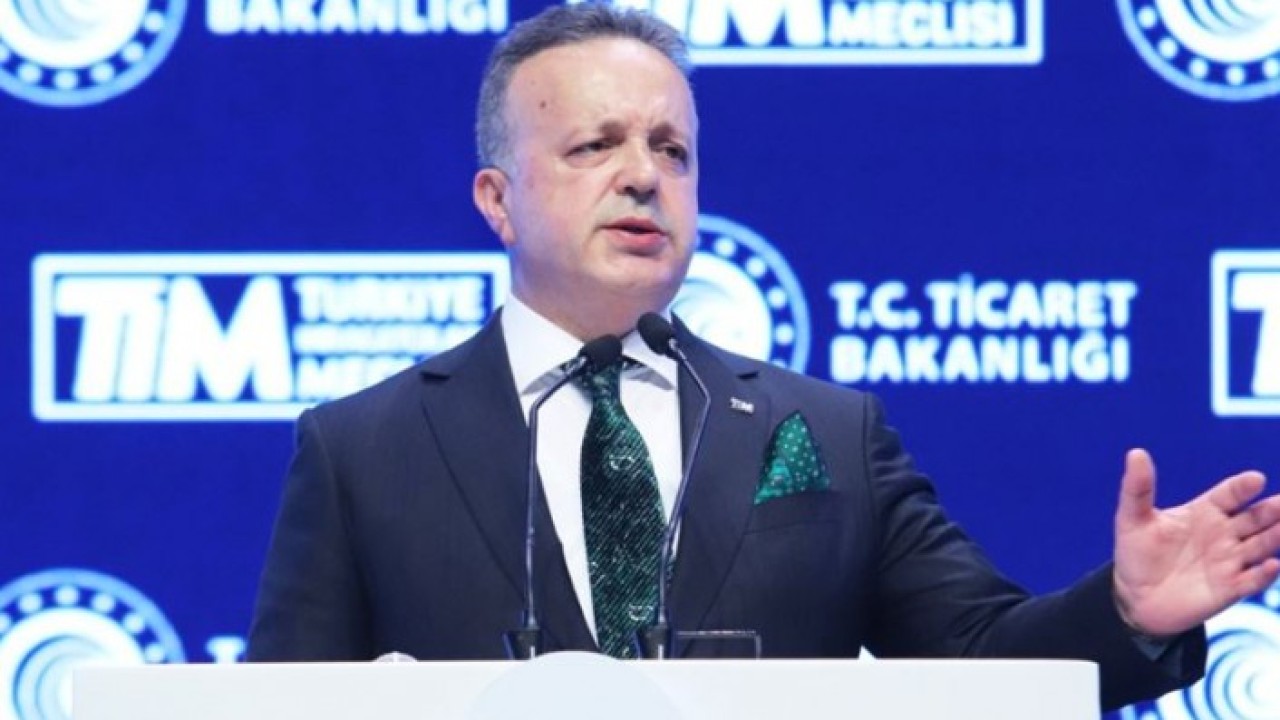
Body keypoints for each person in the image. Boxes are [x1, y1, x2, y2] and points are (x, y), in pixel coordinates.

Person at [247, 4, 1280, 711]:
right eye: (594, 145)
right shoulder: (361, 450)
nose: (642, 177)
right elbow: (285, 711)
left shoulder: (825, 432)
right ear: (497, 199)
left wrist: (1123, 614)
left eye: (670, 149)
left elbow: (980, 661)